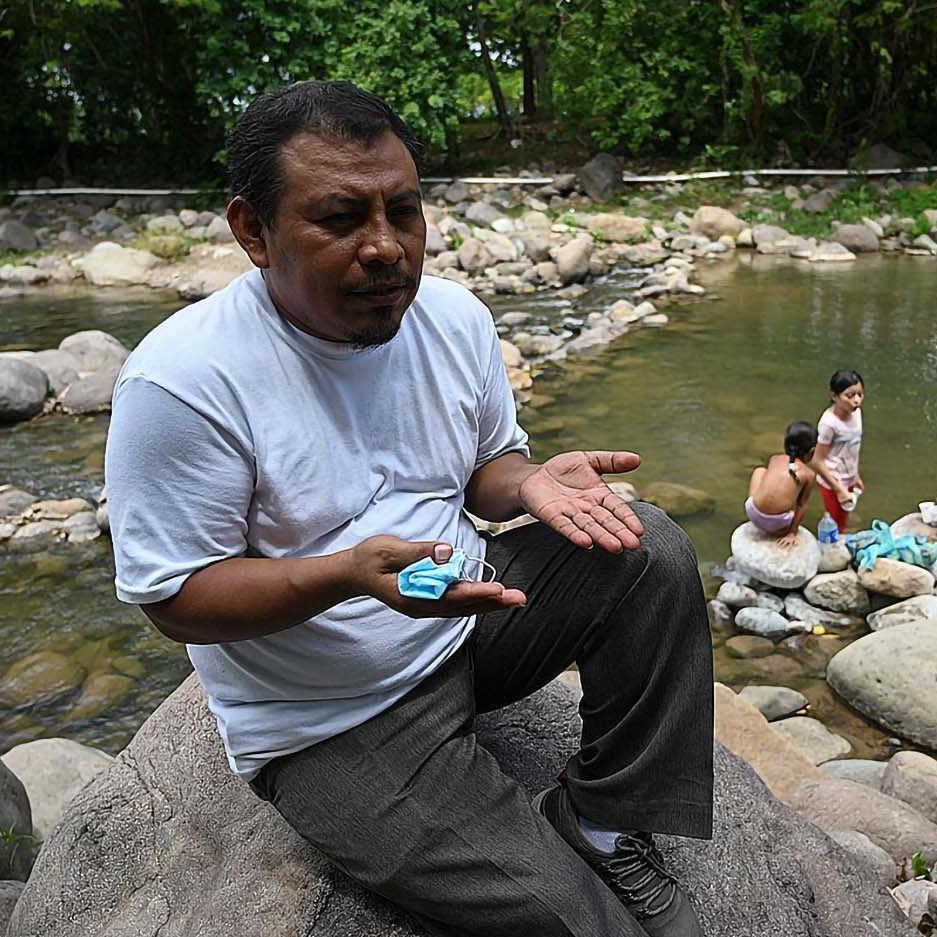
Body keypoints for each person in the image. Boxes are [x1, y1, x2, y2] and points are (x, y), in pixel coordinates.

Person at [104, 80, 713, 937]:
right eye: (341, 218)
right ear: (253, 231)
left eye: (404, 210)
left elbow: (482, 469)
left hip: (467, 617)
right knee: (581, 925)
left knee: (645, 545)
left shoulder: (453, 318)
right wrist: (348, 575)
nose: (386, 249)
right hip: (329, 719)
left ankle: (605, 818)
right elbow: (175, 599)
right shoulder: (182, 383)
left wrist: (527, 482)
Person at [745, 421, 818, 547]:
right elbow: (802, 506)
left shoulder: (775, 459)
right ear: (812, 451)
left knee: (760, 471)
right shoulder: (809, 474)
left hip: (753, 513)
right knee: (797, 496)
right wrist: (792, 533)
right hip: (778, 525)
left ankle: (760, 504)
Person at [812, 369, 866, 533]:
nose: (856, 401)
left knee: (842, 518)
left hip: (848, 477)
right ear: (835, 396)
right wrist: (838, 488)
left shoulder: (857, 414)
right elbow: (817, 461)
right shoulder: (829, 424)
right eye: (849, 396)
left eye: (860, 394)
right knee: (835, 524)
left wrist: (854, 475)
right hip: (833, 480)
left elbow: (850, 449)